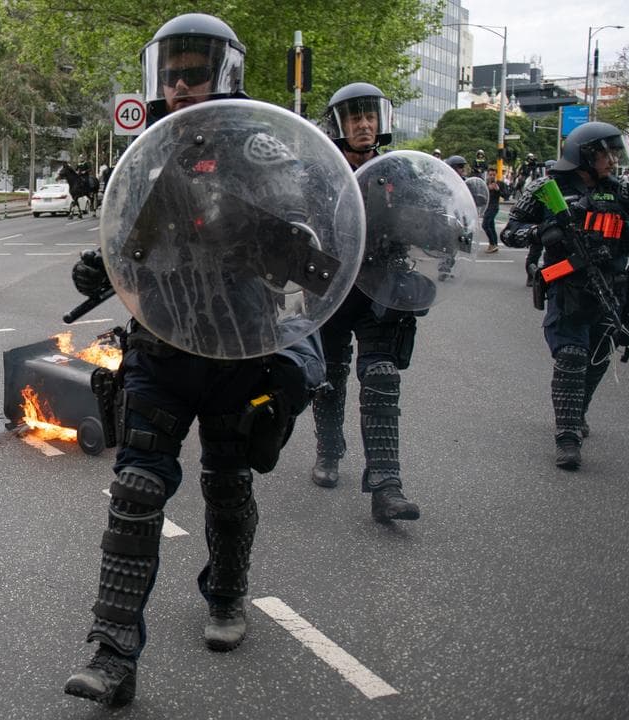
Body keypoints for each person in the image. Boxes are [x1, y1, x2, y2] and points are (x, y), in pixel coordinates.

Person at [63, 13, 323, 707]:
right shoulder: (148, 151)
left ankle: (229, 593)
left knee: (228, 484)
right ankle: (112, 653)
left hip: (241, 345)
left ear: (224, 73)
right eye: (170, 72)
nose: (178, 85)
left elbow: (296, 239)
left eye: (194, 72)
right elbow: (128, 238)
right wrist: (101, 267)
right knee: (137, 491)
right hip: (162, 342)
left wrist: (223, 209)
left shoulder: (262, 148)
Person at [501, 122, 629, 470]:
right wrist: (543, 231)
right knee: (571, 355)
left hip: (612, 289)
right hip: (568, 286)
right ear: (585, 155)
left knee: (599, 355)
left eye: (615, 152)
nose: (613, 160)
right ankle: (567, 436)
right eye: (606, 153)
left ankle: (578, 411)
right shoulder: (546, 188)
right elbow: (512, 232)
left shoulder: (626, 192)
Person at [307, 82, 422, 523]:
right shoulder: (320, 170)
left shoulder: (399, 172)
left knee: (382, 377)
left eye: (370, 116)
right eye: (355, 117)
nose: (364, 124)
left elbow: (424, 224)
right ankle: (329, 452)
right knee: (330, 376)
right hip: (334, 288)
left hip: (384, 289)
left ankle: (387, 485)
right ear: (339, 124)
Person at [482, 169, 503, 254]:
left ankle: (492, 244)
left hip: (493, 207)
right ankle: (495, 244)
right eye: (490, 175)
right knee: (491, 225)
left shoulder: (499, 184)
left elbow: (505, 194)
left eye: (493, 175)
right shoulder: (485, 184)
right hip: (487, 207)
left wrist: (497, 190)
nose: (492, 177)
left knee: (485, 225)